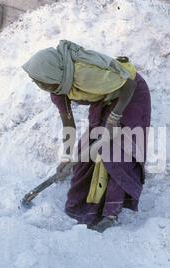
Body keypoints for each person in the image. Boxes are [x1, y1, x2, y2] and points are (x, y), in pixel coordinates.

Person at [22, 40, 151, 232]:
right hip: (106, 97)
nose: (38, 84)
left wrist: (113, 119)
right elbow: (69, 125)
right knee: (87, 150)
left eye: (40, 79)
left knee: (116, 152)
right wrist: (66, 158)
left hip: (129, 96)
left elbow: (129, 86)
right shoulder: (58, 89)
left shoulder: (84, 75)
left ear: (51, 72)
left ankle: (111, 213)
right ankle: (85, 208)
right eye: (35, 80)